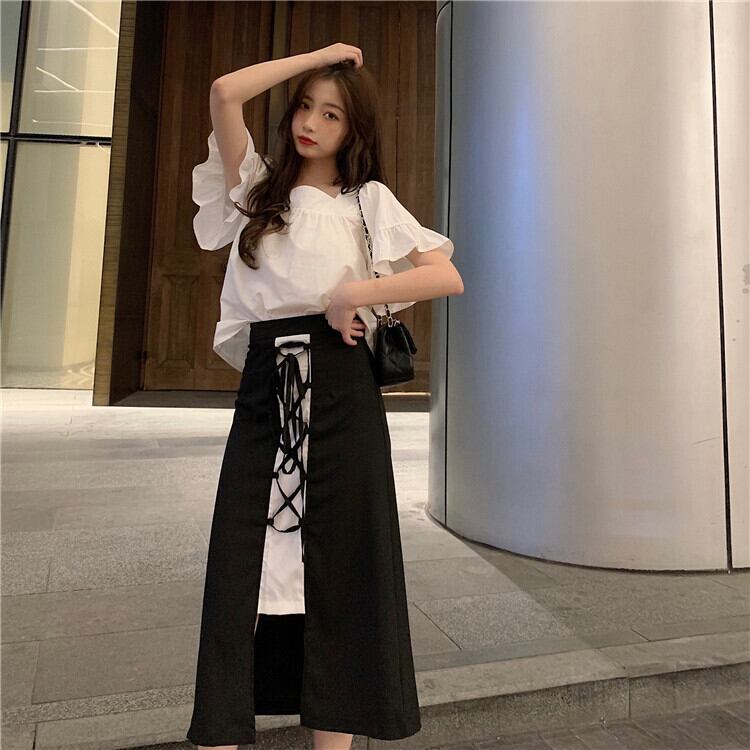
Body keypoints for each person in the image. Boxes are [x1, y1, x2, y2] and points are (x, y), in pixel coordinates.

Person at [186, 43, 464, 750]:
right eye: (305, 107)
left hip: (343, 392)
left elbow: (445, 276)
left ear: (353, 128)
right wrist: (321, 57)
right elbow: (225, 91)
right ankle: (222, 727)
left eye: (332, 113)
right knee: (241, 562)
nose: (311, 123)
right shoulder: (255, 188)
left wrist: (354, 293)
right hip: (267, 387)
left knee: (342, 571)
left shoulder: (368, 202)